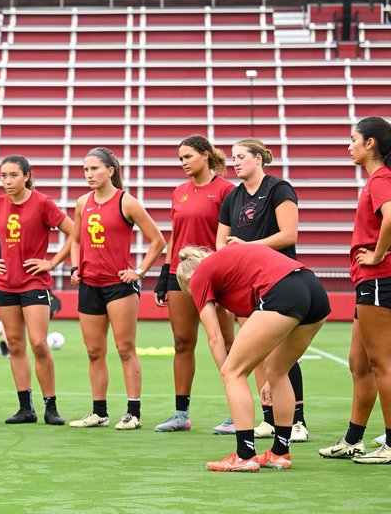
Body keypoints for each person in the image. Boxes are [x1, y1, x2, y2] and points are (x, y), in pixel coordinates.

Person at [176, 244, 329, 471]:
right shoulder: (230, 269)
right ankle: (280, 452)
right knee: (277, 370)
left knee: (232, 372)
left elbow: (215, 337)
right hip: (313, 289)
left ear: (188, 278)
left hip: (283, 289)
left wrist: (228, 375)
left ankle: (245, 455)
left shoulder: (198, 275)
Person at [68, 147, 166, 430]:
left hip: (119, 287)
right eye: (86, 170)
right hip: (89, 286)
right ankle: (99, 412)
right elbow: (75, 240)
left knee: (125, 349)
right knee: (94, 351)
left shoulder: (127, 202)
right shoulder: (81, 202)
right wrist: (76, 268)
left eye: (95, 169)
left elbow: (157, 240)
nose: (89, 175)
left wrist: (140, 271)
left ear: (110, 171)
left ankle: (133, 413)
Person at [216, 138, 307, 442]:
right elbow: (221, 242)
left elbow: (288, 234)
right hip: (248, 285)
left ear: (258, 159)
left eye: (241, 156)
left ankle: (297, 421)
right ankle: (269, 419)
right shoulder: (233, 197)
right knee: (254, 354)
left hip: (281, 281)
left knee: (282, 355)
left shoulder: (279, 189)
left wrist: (247, 249)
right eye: (233, 157)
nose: (235, 162)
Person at [0, 154, 75, 426]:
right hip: (5, 284)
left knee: (39, 344)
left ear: (27, 176)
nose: (7, 181)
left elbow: (74, 232)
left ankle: (50, 406)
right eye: (4, 176)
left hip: (34, 283)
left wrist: (51, 262)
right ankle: (25, 408)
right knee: (15, 344)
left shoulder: (43, 203)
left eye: (13, 175)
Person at [321, 117, 391, 463]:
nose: (349, 146)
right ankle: (353, 439)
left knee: (382, 363)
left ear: (371, 144)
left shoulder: (382, 179)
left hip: (379, 279)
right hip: (367, 282)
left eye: (353, 140)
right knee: (358, 362)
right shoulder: (375, 180)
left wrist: (377, 254)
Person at [153, 135, 234, 434]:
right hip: (179, 275)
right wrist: (165, 274)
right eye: (180, 159)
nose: (184, 163)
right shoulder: (179, 192)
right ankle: (180, 415)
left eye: (188, 156)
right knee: (182, 342)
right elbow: (175, 235)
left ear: (205, 155)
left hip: (216, 274)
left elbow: (229, 235)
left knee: (227, 343)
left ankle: (235, 411)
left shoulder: (226, 190)